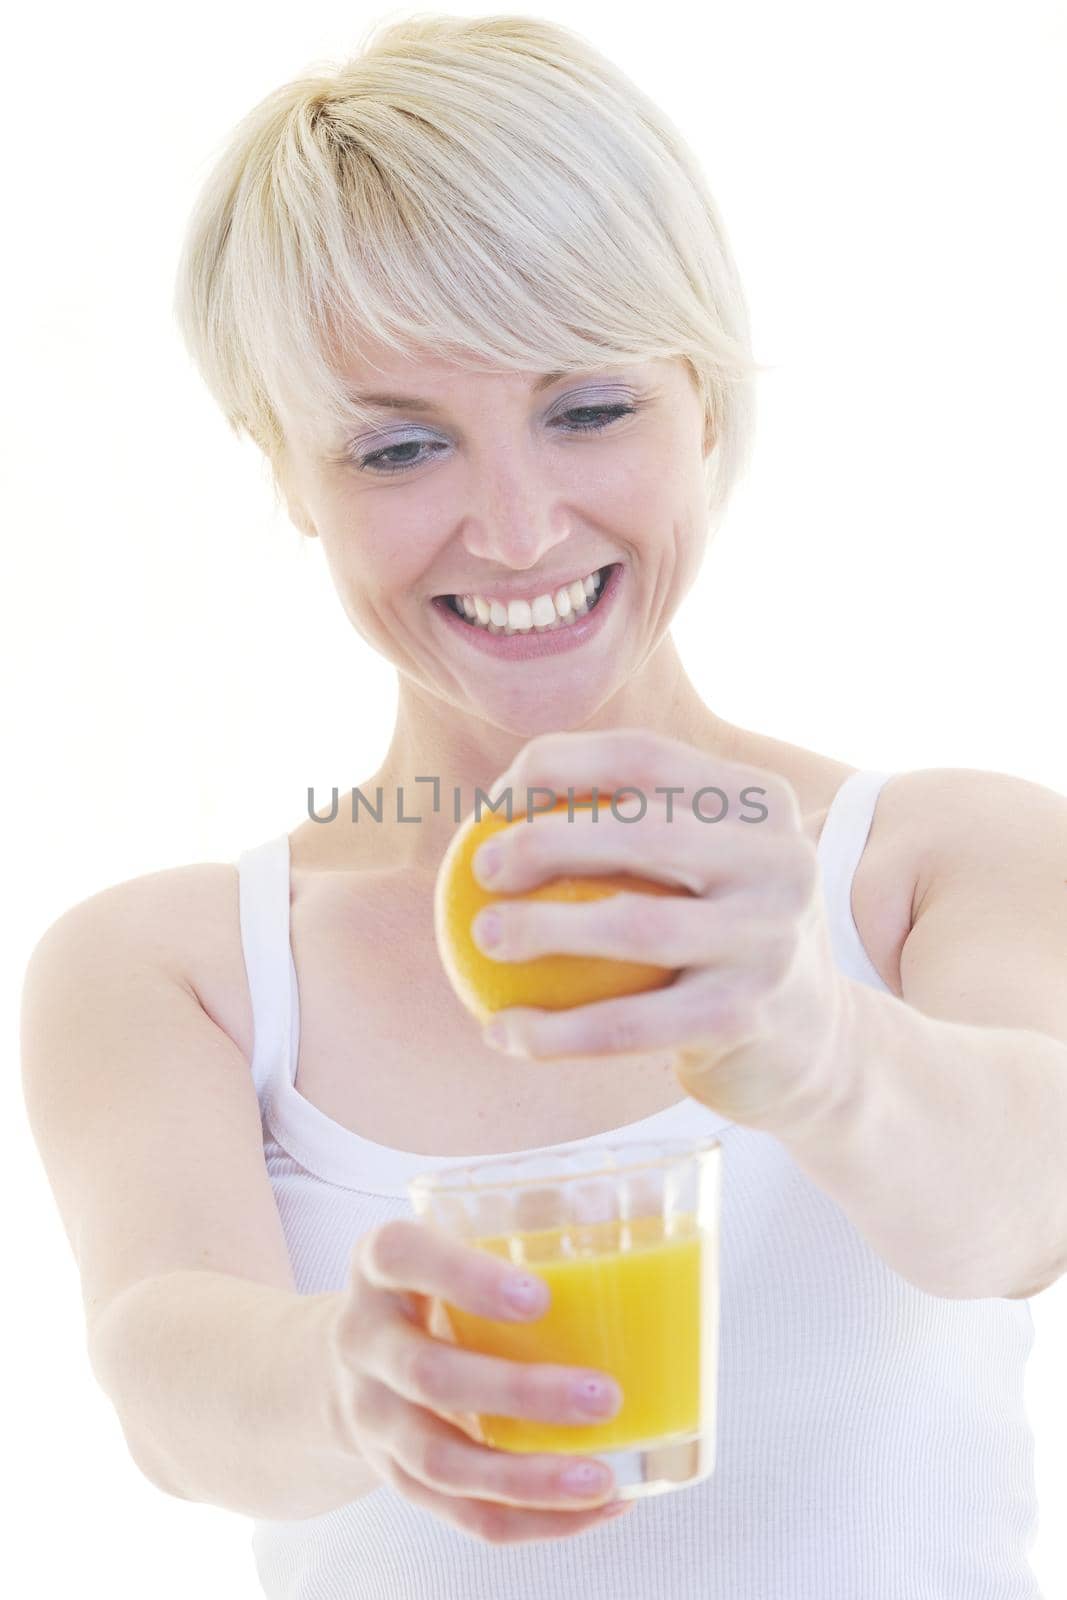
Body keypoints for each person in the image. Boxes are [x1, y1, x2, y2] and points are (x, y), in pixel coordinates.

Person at [19, 13, 1066, 1599]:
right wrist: (347, 1380)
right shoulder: (174, 970)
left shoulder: (937, 866)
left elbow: (1018, 1213)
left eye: (589, 410)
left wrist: (817, 1043)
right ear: (287, 473)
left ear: (704, 403)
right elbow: (165, 1367)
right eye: (397, 446)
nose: (514, 528)